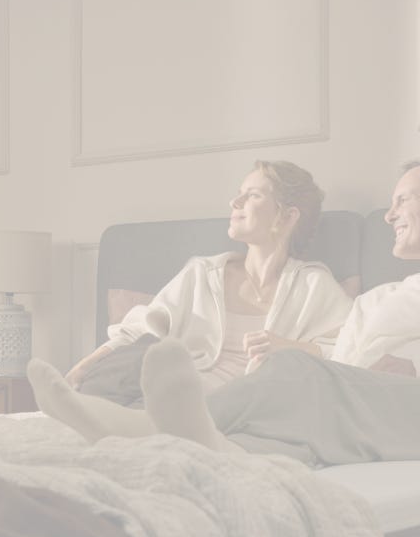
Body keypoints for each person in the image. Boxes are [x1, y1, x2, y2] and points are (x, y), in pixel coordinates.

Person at [28, 155, 420, 466]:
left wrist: (418, 369)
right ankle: (166, 443)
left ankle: (139, 428)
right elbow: (338, 381)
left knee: (293, 372)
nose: (389, 215)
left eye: (403, 200)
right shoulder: (378, 299)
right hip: (372, 418)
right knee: (267, 444)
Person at [65, 160, 353, 398]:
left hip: (251, 406)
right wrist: (81, 370)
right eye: (240, 192)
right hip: (177, 391)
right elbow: (138, 329)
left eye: (253, 195)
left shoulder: (313, 286)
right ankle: (88, 404)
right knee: (146, 356)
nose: (234, 201)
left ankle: (105, 415)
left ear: (288, 217)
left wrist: (290, 347)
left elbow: (352, 351)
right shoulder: (203, 274)